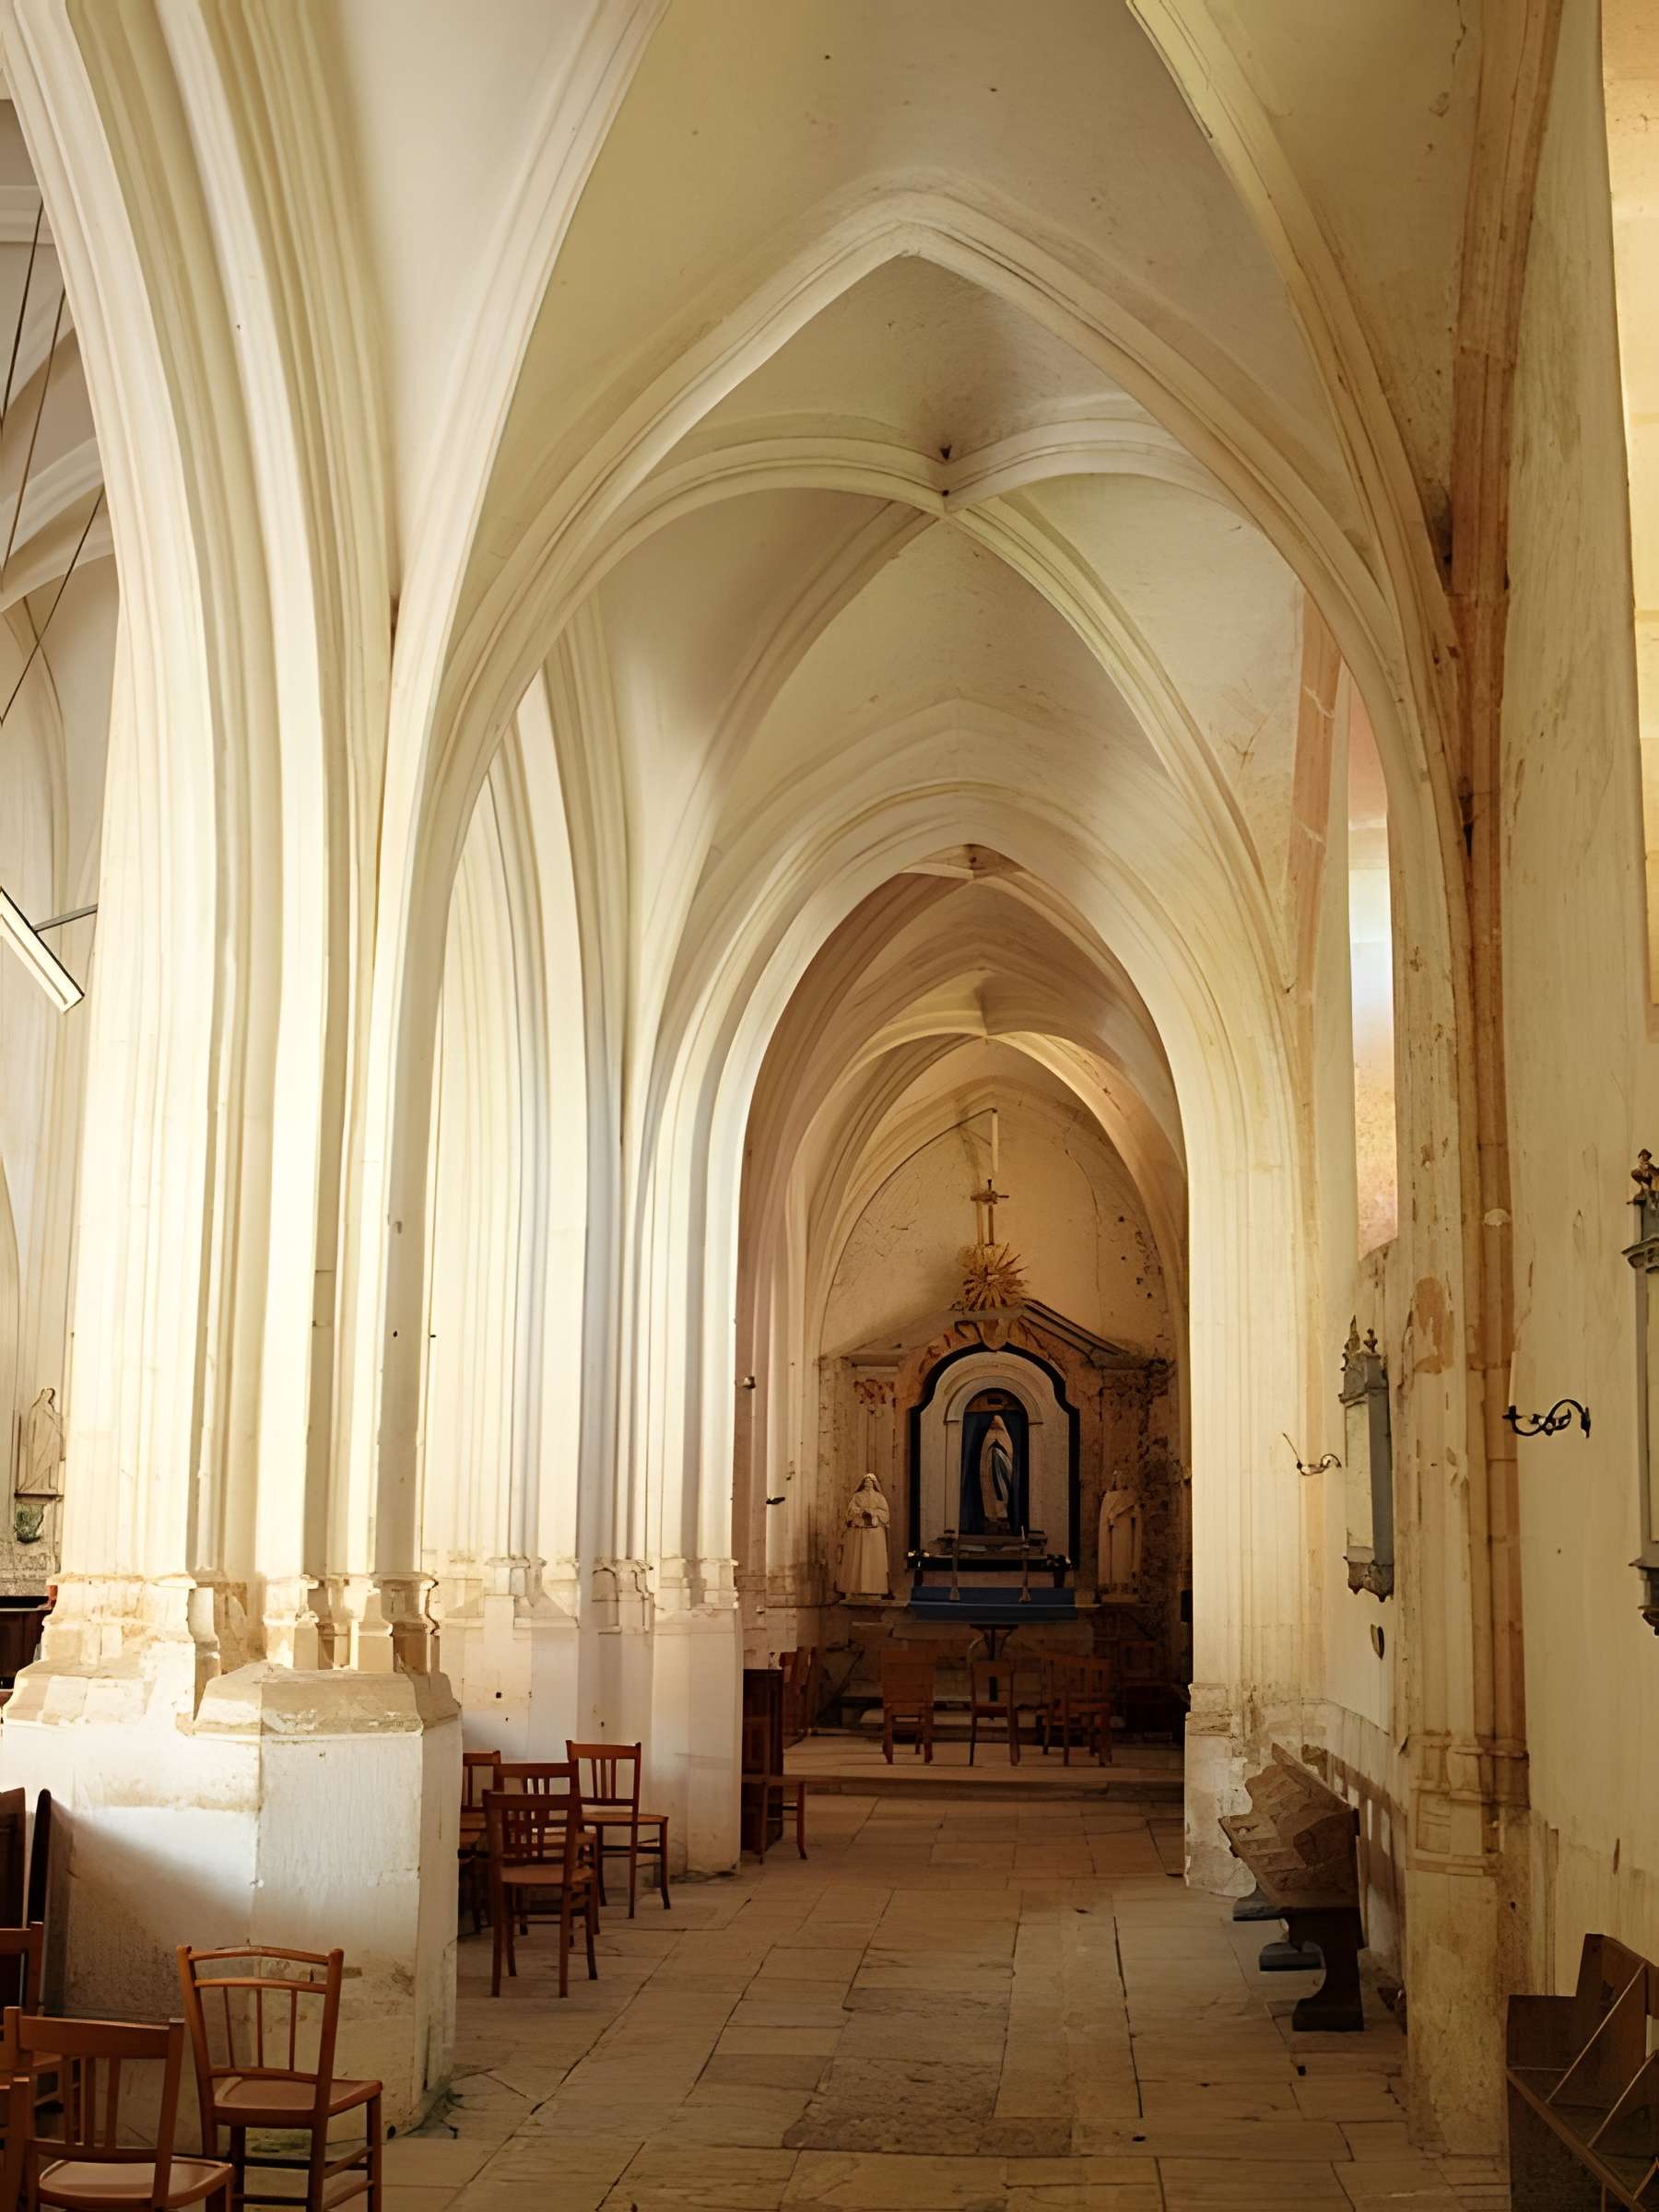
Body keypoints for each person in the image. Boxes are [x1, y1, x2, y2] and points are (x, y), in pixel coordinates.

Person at [838, 1473, 891, 1597]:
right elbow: (850, 1512)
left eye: (870, 1482)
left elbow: (885, 1514)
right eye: (866, 1481)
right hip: (859, 1533)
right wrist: (859, 1512)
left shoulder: (879, 1497)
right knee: (858, 1559)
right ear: (863, 1483)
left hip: (875, 1532)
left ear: (874, 1483)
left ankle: (876, 1588)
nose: (868, 1484)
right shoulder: (857, 1496)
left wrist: (872, 1513)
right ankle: (855, 1588)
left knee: (874, 1561)